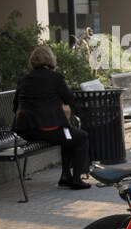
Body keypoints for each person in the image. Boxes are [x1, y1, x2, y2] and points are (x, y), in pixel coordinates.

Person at [13, 45, 91, 189]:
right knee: (81, 137)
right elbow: (69, 99)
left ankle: (65, 176)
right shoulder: (55, 77)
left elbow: (15, 107)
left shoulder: (24, 79)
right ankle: (76, 179)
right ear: (51, 60)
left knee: (68, 134)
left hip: (26, 131)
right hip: (48, 129)